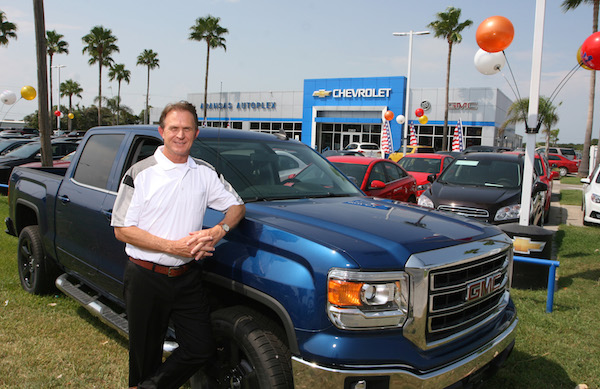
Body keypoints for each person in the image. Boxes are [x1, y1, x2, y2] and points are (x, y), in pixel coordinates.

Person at [111, 101, 246, 389]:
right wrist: (173, 247)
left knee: (200, 348)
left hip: (187, 278)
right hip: (146, 276)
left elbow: (237, 206)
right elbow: (122, 229)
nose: (180, 135)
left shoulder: (205, 173)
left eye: (187, 129)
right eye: (174, 128)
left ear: (196, 133)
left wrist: (217, 231)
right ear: (162, 131)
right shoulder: (141, 173)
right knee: (144, 356)